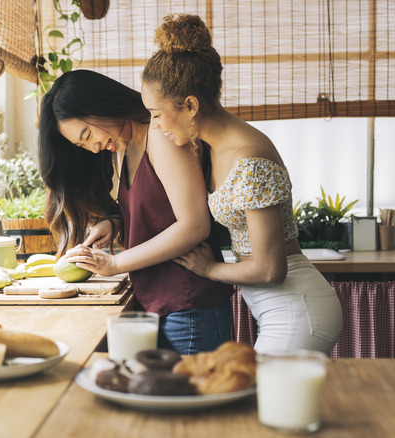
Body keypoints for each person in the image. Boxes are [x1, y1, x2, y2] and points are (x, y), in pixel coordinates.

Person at [140, 14, 343, 355]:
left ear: (191, 105)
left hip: (297, 309)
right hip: (277, 307)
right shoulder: (211, 145)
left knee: (263, 403)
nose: (156, 125)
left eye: (157, 113)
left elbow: (270, 269)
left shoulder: (249, 161)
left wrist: (209, 269)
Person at [38, 69, 234, 355]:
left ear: (100, 104)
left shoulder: (161, 135)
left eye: (88, 133)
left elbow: (195, 225)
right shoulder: (124, 148)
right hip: (160, 306)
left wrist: (116, 264)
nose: (93, 148)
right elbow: (155, 209)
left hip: (189, 308)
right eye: (82, 144)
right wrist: (113, 222)